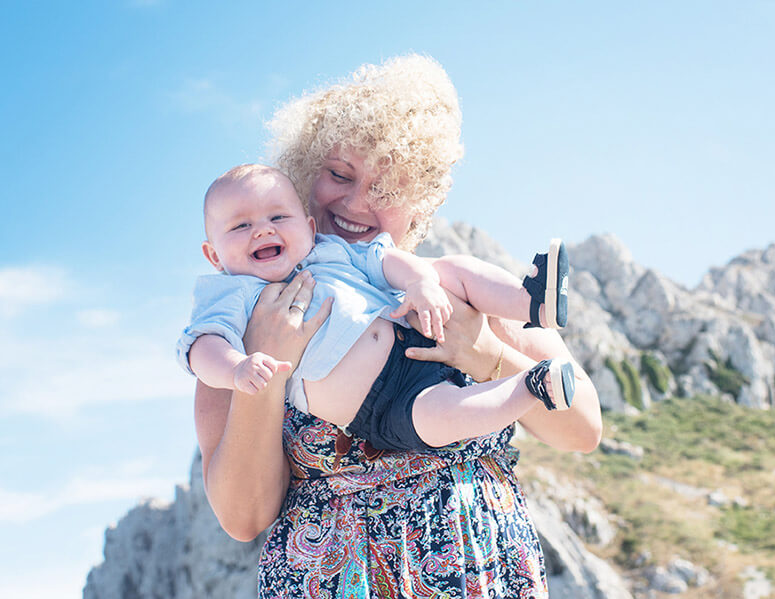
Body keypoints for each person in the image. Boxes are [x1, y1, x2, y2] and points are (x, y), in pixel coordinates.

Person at [194, 54, 603, 598]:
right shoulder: (244, 327)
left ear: (421, 205)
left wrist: (480, 350)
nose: (358, 202)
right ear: (304, 176)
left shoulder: (465, 291)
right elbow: (244, 517)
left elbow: (583, 431)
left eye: (388, 189)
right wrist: (266, 367)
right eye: (340, 174)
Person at [179, 163, 574, 452]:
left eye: (278, 216)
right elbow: (201, 346)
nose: (263, 230)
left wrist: (420, 283)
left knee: (450, 269)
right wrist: (236, 368)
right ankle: (532, 386)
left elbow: (383, 259)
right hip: (381, 404)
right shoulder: (233, 295)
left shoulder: (329, 252)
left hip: (414, 330)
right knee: (442, 416)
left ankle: (533, 303)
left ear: (309, 227)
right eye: (240, 226)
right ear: (213, 256)